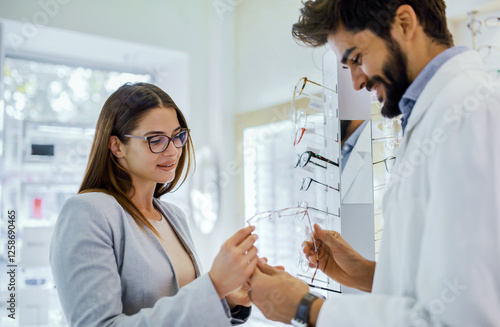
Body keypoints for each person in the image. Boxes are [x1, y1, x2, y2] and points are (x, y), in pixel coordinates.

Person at [248, 0, 500, 326]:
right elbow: (442, 286)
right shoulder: (435, 117)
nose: (356, 81)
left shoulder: (466, 113)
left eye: (357, 58)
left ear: (406, 24)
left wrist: (306, 308)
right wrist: (367, 274)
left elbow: (463, 316)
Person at [50, 82, 259, 326]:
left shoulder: (173, 216)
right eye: (156, 140)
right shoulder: (88, 212)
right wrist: (213, 287)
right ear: (116, 146)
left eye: (178, 136)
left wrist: (227, 299)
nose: (172, 151)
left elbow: (181, 308)